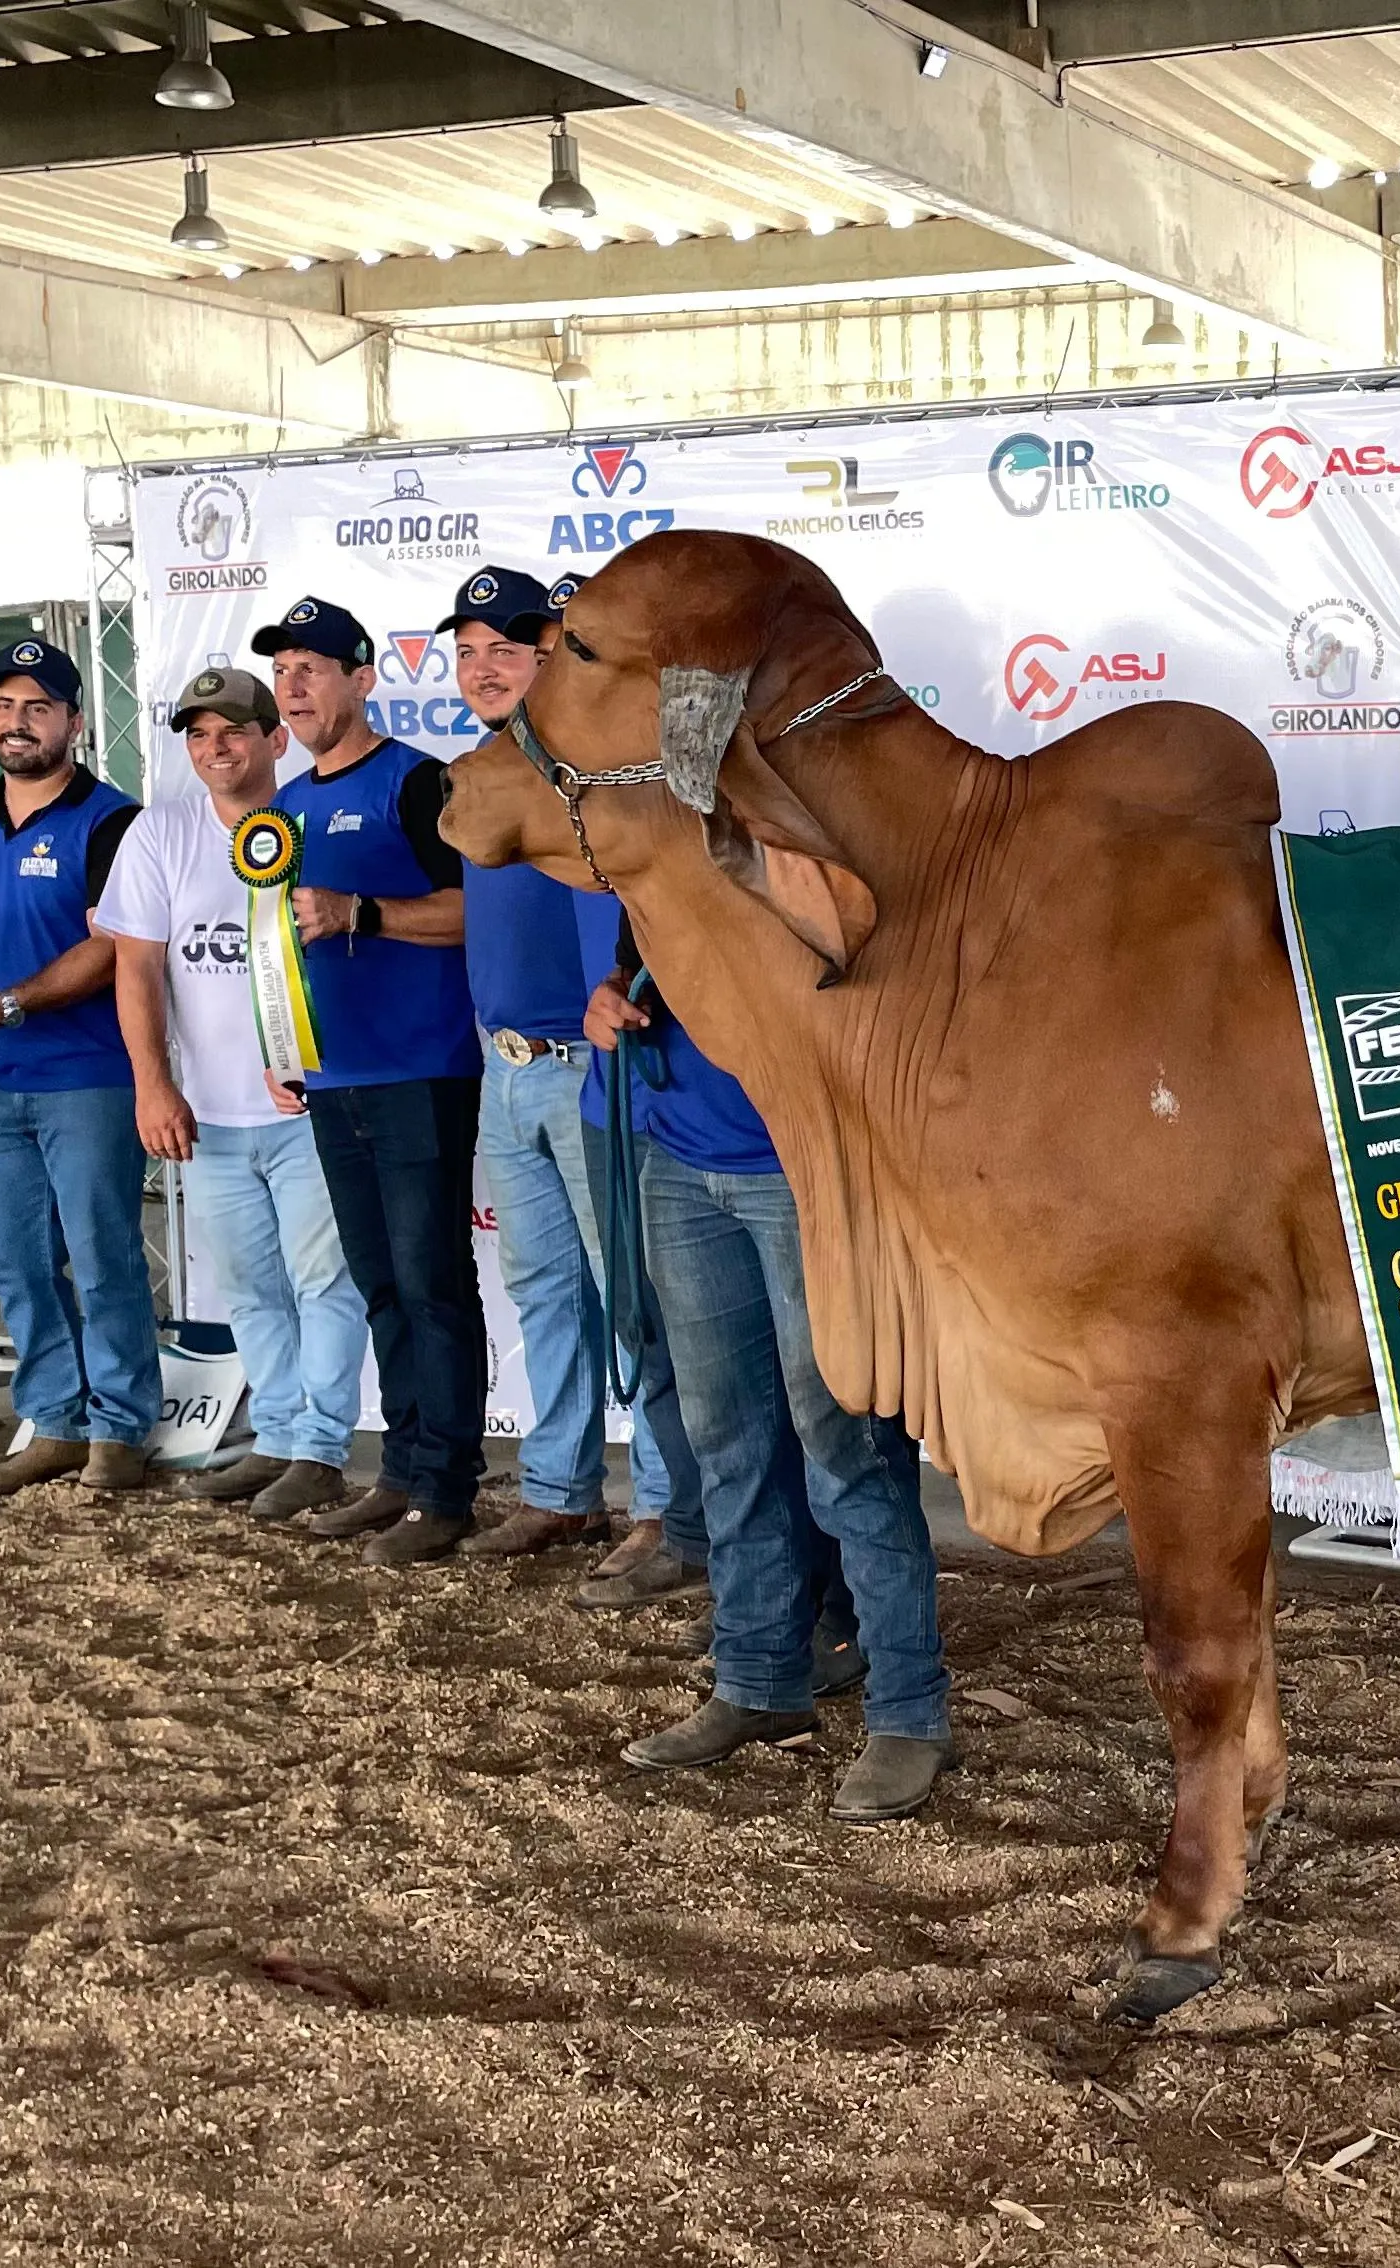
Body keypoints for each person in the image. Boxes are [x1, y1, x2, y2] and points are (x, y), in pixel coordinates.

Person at [588, 950, 953, 1821]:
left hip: (808, 1168)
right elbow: (637, 973)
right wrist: (608, 1001)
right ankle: (757, 1679)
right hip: (678, 1161)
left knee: (847, 1442)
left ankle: (908, 1710)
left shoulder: (791, 838)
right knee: (726, 1444)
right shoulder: (653, 852)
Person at [439, 565, 696, 1567]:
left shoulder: (615, 769)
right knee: (546, 1288)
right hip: (507, 1067)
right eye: (466, 652)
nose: (483, 667)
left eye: (507, 646)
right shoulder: (479, 772)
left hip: (598, 1069)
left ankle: (670, 1509)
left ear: (555, 654)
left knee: (630, 1293)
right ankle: (560, 1488)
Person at [95, 665, 371, 1529]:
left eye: (234, 733)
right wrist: (153, 1083)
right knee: (251, 1287)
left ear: (273, 740)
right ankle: (280, 1437)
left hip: (309, 1111)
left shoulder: (313, 820)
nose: (215, 750)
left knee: (325, 1281)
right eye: (198, 736)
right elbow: (135, 964)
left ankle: (321, 1448)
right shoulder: (160, 832)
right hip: (208, 1113)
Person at [255, 596, 488, 1567]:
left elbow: (475, 912)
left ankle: (446, 1489)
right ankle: (400, 1471)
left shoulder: (418, 782)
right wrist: (280, 1040)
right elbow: (278, 947)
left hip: (422, 1070)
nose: (295, 684)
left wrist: (368, 915)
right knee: (381, 1283)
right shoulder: (287, 808)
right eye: (283, 671)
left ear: (363, 678)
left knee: (433, 1281)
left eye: (313, 666)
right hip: (333, 1076)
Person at [0, 636, 160, 1495]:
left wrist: (7, 1004)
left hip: (91, 1077)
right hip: (0, 1085)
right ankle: (56, 1420)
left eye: (37, 707)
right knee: (17, 1263)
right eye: (2, 705)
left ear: (73, 720)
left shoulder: (111, 820)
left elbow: (113, 945)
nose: (16, 722)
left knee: (103, 1258)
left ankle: (122, 1429)